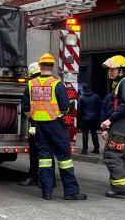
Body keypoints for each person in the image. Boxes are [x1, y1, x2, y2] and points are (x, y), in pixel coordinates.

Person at [22, 53, 85, 201]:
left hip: (38, 126)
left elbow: (25, 107)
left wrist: (34, 116)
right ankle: (70, 192)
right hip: (55, 125)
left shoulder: (31, 84)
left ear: (40, 66)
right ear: (52, 66)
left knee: (44, 159)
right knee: (64, 159)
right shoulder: (57, 84)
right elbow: (64, 107)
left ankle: (47, 192)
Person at [100, 55, 125, 198]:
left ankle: (119, 188)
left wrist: (110, 120)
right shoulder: (121, 83)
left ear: (121, 70)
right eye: (109, 69)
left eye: (113, 69)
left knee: (112, 154)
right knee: (124, 155)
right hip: (124, 123)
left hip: (122, 123)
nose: (110, 72)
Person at [19, 63, 42, 186]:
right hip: (51, 126)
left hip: (34, 125)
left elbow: (26, 107)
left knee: (34, 149)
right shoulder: (53, 83)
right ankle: (46, 179)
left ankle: (34, 176)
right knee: (46, 152)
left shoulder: (31, 84)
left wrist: (30, 117)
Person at [76, 83, 101, 155]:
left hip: (84, 119)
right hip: (94, 118)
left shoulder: (81, 97)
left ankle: (84, 150)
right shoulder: (96, 96)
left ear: (83, 89)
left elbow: (79, 110)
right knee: (94, 133)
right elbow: (99, 106)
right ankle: (96, 149)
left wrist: (79, 121)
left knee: (85, 134)